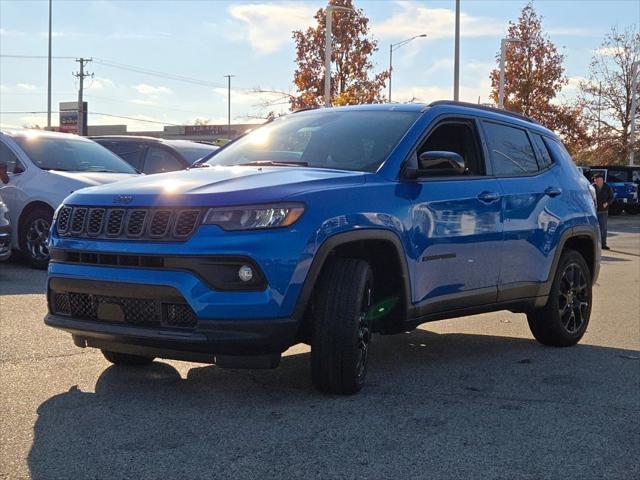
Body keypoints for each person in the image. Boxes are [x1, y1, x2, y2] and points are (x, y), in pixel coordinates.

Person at [593, 173, 614, 250]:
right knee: (594, 228)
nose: (598, 182)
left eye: (600, 180)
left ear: (602, 180)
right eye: (596, 180)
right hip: (594, 211)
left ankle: (603, 244)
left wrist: (607, 203)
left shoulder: (607, 187)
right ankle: (594, 244)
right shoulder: (592, 187)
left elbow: (611, 197)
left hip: (604, 211)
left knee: (603, 228)